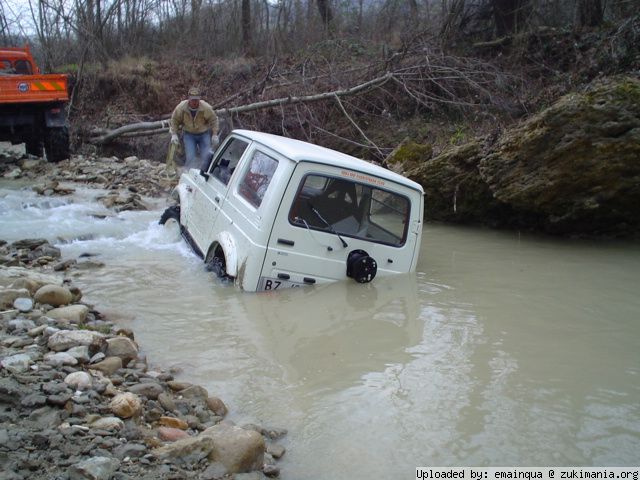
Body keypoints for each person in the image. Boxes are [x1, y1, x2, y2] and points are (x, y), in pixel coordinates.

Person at [169, 86, 219, 169]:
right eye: (193, 99)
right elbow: (174, 120)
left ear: (199, 99)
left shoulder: (206, 107)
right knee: (190, 157)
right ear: (189, 99)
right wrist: (174, 134)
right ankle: (189, 173)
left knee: (206, 157)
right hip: (189, 135)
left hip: (204, 134)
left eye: (196, 99)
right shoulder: (181, 108)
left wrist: (215, 134)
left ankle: (204, 174)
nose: (195, 102)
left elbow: (214, 120)